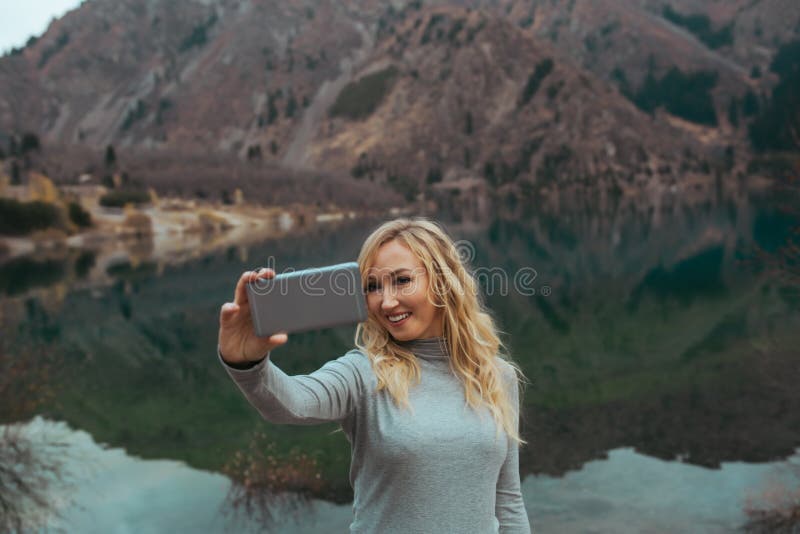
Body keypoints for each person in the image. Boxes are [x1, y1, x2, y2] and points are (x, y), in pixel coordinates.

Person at [217, 217, 531, 533]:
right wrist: (246, 361)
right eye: (372, 287)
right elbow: (289, 403)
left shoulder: (497, 377)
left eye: (402, 280)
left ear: (443, 281)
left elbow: (508, 500)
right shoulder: (364, 372)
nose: (386, 301)